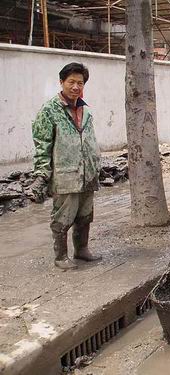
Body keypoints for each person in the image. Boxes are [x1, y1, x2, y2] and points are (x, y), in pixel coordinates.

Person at [30, 62, 101, 270]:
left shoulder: (85, 111)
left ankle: (82, 250)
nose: (76, 87)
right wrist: (42, 174)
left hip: (87, 173)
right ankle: (61, 256)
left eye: (80, 83)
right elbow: (42, 145)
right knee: (63, 217)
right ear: (61, 82)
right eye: (71, 82)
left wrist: (96, 165)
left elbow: (91, 140)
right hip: (65, 174)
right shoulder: (49, 110)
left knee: (85, 215)